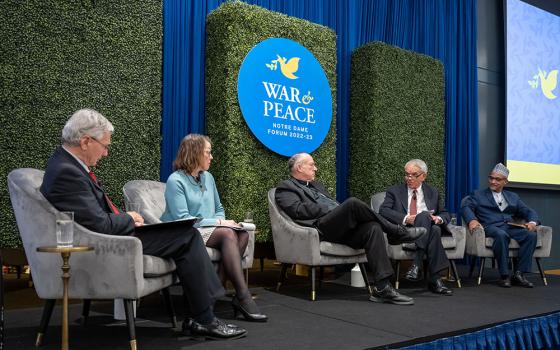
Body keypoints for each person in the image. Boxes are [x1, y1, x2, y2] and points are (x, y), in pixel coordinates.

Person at [40, 109, 246, 340]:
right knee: (187, 236)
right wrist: (129, 218)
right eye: (105, 146)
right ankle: (205, 318)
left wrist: (128, 218)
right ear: (86, 141)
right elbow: (98, 224)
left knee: (186, 234)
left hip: (114, 236)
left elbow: (92, 216)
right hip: (110, 242)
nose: (106, 153)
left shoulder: (67, 165)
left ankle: (203, 314)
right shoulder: (67, 171)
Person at [275, 153, 427, 305]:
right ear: (300, 167)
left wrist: (338, 211)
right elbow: (296, 210)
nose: (315, 168)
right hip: (318, 229)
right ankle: (397, 232)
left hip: (338, 229)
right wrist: (329, 209)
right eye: (311, 165)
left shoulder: (317, 186)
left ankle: (383, 288)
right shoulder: (285, 187)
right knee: (353, 203)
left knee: (372, 228)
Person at [160, 134, 267, 322]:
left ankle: (211, 296)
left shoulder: (208, 177)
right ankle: (242, 296)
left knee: (242, 235)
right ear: (194, 153)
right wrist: (220, 223)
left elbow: (219, 209)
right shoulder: (175, 180)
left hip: (207, 230)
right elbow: (183, 219)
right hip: (184, 233)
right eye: (208, 152)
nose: (211, 157)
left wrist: (220, 221)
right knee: (227, 233)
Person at [379, 159, 452, 295]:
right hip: (404, 230)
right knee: (428, 222)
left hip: (427, 228)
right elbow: (384, 211)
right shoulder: (394, 191)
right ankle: (435, 280)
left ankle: (417, 264)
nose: (409, 178)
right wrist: (406, 218)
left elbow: (445, 213)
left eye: (414, 175)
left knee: (431, 223)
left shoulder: (433, 192)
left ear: (424, 176)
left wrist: (439, 218)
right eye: (407, 174)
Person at [461, 163, 538, 288]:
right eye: (491, 178)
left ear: (505, 182)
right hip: (491, 226)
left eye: (497, 179)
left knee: (531, 235)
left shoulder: (513, 197)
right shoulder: (478, 194)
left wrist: (532, 222)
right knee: (501, 235)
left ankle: (519, 274)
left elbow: (529, 211)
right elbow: (465, 207)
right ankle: (504, 275)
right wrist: (472, 220)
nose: (493, 181)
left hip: (510, 226)